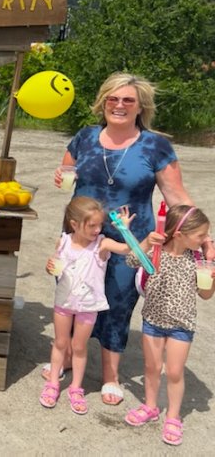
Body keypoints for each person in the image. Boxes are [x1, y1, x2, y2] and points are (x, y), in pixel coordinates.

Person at [51, 72, 214, 405]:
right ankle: (65, 356)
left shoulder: (155, 145)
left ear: (141, 106)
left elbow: (176, 195)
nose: (119, 105)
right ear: (103, 102)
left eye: (128, 100)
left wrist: (204, 235)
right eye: (113, 98)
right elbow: (67, 169)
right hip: (81, 237)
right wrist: (61, 175)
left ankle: (110, 375)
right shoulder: (85, 137)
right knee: (71, 297)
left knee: (118, 302)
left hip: (133, 241)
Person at [39, 197, 161, 414]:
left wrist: (125, 229)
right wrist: (50, 266)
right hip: (63, 303)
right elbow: (55, 265)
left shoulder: (102, 244)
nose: (97, 229)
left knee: (79, 347)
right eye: (91, 225)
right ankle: (53, 384)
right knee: (60, 343)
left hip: (88, 306)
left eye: (99, 225)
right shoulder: (64, 241)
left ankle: (76, 387)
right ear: (74, 224)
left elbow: (129, 250)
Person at [123, 205, 213, 446]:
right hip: (153, 321)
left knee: (173, 372)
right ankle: (150, 406)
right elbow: (131, 259)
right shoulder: (155, 252)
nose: (205, 239)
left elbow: (205, 295)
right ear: (180, 234)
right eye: (201, 235)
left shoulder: (197, 259)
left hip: (181, 325)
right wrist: (145, 241)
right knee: (151, 368)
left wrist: (211, 275)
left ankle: (173, 416)